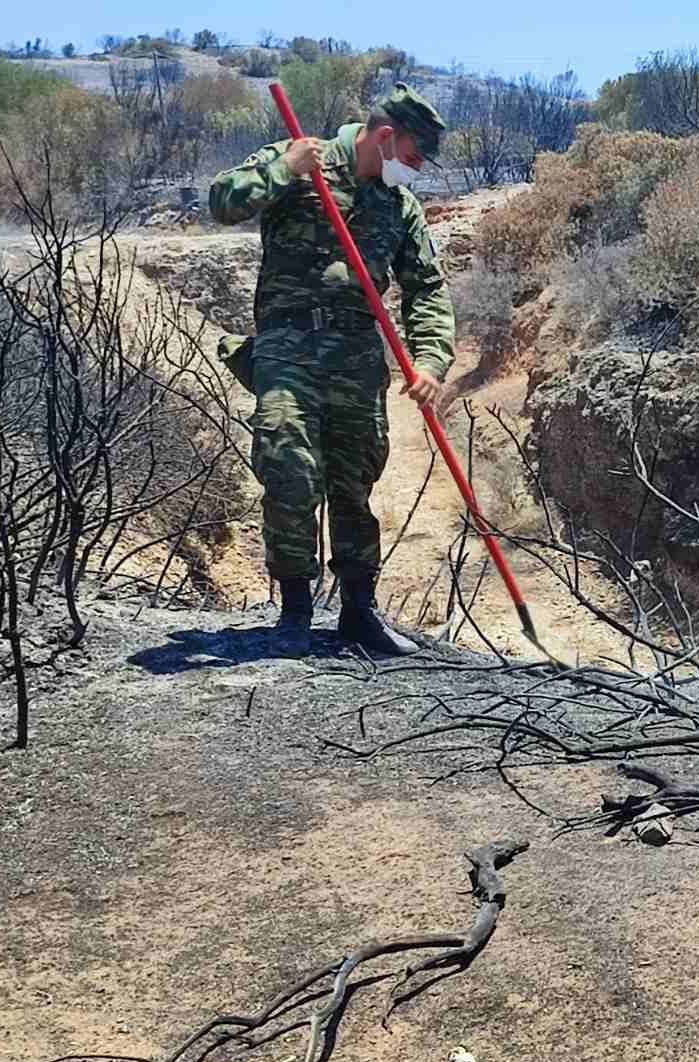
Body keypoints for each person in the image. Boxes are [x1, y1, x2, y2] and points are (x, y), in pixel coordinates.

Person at [209, 82, 456, 657]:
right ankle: (295, 609)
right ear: (386, 136)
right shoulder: (300, 159)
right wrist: (284, 169)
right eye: (415, 155)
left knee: (354, 480)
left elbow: (426, 289)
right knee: (289, 466)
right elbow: (222, 201)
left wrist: (430, 359)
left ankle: (358, 611)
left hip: (356, 356)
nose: (417, 169)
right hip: (288, 345)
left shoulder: (399, 206)